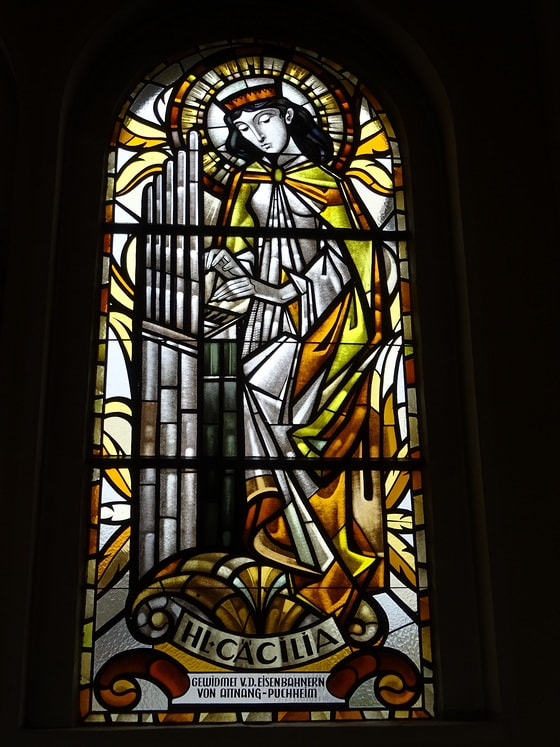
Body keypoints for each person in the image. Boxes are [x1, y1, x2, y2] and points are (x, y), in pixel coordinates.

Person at [204, 80, 386, 624]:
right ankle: (278, 544)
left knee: (276, 412)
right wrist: (234, 276)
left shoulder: (330, 185)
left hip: (327, 327)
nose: (253, 135)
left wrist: (282, 292)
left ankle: (316, 552)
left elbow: (353, 267)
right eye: (240, 130)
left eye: (262, 120)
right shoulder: (246, 183)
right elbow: (226, 250)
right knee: (246, 408)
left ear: (288, 115)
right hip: (259, 323)